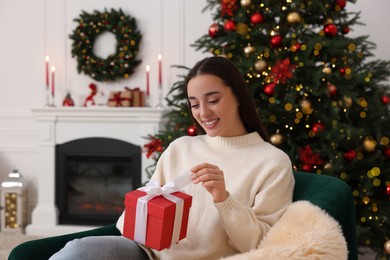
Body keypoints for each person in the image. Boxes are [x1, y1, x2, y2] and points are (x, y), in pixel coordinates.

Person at [49, 56, 294, 260]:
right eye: (194, 104)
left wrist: (224, 199)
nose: (203, 113)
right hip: (146, 254)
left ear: (238, 96)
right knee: (77, 251)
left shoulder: (272, 162)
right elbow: (129, 228)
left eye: (213, 100)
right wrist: (145, 204)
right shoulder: (180, 148)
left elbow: (262, 245)